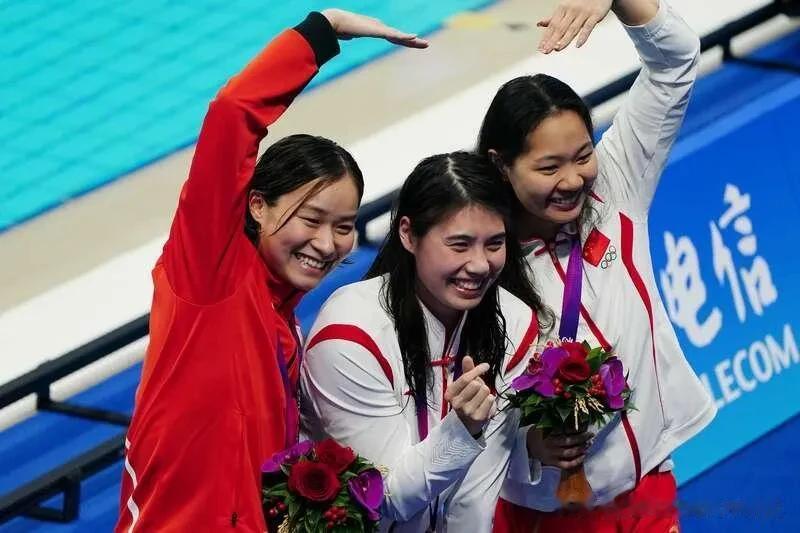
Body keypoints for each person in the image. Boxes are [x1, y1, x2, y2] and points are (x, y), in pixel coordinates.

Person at [115, 11, 427, 532]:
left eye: (344, 226)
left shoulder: (287, 322)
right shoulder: (210, 275)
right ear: (257, 205)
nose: (326, 243)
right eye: (311, 219)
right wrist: (324, 30)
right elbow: (231, 114)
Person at [477, 0, 716, 531]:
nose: (573, 180)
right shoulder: (478, 261)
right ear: (500, 165)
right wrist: (529, 444)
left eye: (582, 155)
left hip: (647, 487)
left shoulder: (616, 185)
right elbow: (453, 404)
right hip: (545, 513)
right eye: (548, 167)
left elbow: (676, 60)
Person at [300, 152, 548, 532]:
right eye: (460, 244)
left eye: (495, 243)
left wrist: (534, 444)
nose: (480, 265)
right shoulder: (351, 338)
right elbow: (386, 498)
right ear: (408, 234)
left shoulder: (513, 322)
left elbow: (479, 490)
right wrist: (462, 429)